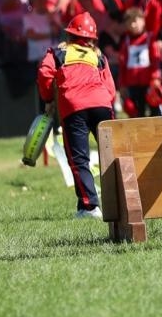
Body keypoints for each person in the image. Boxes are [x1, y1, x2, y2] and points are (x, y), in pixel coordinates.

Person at [36, 12, 116, 219]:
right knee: (113, 155)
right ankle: (120, 198)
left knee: (79, 159)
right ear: (92, 38)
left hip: (75, 107)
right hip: (102, 106)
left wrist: (48, 100)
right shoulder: (99, 56)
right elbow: (111, 89)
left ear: (69, 35)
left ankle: (89, 208)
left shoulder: (56, 53)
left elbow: (44, 74)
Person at [117, 7, 162, 117]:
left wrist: (156, 78)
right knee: (136, 114)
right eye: (129, 23)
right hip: (132, 85)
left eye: (135, 21)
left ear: (142, 21)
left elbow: (156, 60)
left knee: (156, 112)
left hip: (150, 83)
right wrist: (122, 84)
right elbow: (122, 64)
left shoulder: (150, 38)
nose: (133, 25)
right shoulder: (126, 42)